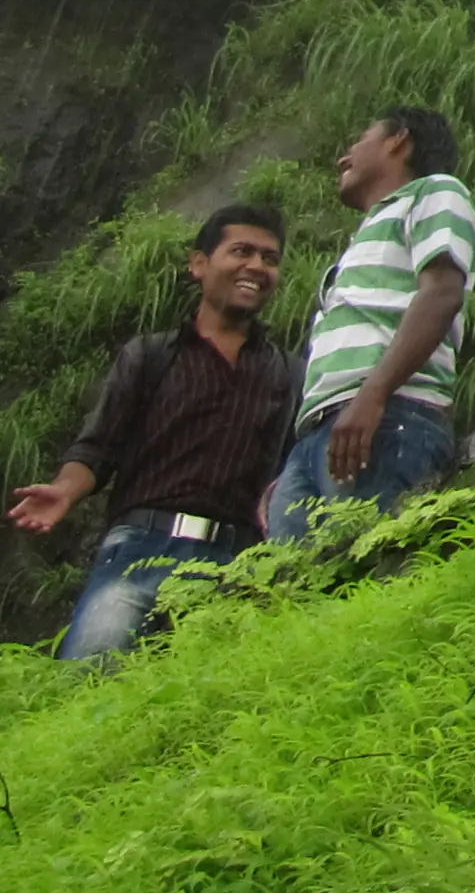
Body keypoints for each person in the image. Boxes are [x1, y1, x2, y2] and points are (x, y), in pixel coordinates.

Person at [7, 203, 297, 659]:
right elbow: (99, 447)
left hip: (237, 561)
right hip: (139, 548)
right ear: (199, 264)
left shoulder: (288, 373)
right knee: (87, 678)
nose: (256, 267)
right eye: (241, 251)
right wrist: (65, 490)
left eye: (270, 258)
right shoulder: (150, 356)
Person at [264, 106, 475, 544]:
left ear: (398, 139)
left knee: (362, 581)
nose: (344, 158)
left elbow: (442, 292)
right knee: (286, 600)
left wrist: (373, 395)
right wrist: (302, 456)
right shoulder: (362, 240)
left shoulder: (435, 192)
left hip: (388, 419)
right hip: (324, 433)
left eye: (359, 139)